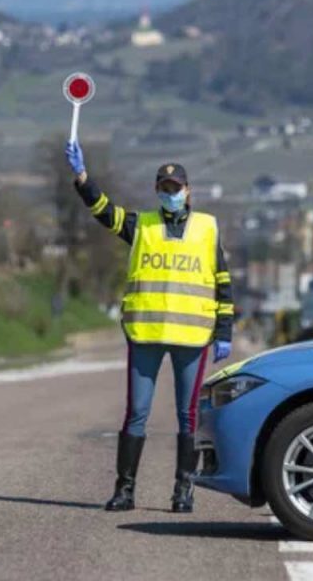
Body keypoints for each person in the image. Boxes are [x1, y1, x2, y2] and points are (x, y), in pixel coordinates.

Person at [65, 140, 234, 514]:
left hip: (192, 337)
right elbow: (103, 211)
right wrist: (82, 177)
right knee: (136, 412)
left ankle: (183, 492)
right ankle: (125, 491)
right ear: (157, 191)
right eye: (163, 188)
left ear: (188, 192)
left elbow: (223, 281)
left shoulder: (207, 229)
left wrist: (224, 331)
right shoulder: (142, 224)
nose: (169, 193)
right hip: (146, 335)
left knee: (187, 416)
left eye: (175, 188)